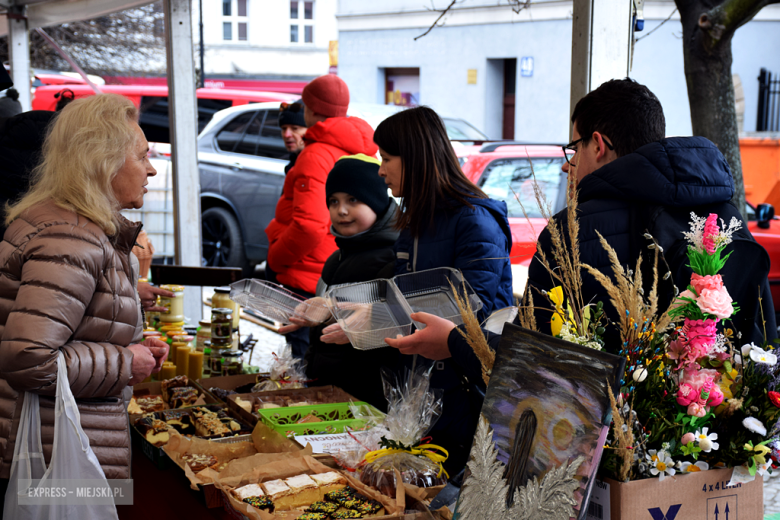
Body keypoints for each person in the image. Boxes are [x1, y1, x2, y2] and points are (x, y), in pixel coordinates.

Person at [0, 94, 169, 501]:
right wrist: (125, 361)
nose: (151, 169)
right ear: (103, 161)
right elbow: (29, 358)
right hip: (52, 458)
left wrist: (122, 343)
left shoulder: (65, 223)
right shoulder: (70, 236)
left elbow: (60, 328)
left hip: (54, 444)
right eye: (142, 156)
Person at [524, 78, 776, 350]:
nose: (567, 165)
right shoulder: (727, 219)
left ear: (598, 145)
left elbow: (532, 351)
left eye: (574, 148)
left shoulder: (571, 229)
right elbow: (764, 342)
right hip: (719, 392)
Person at [372, 106, 513, 476]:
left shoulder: (474, 220)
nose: (381, 170)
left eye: (387, 158)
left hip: (465, 398)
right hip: (422, 394)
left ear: (415, 158)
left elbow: (470, 312)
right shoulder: (416, 221)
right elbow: (405, 300)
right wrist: (365, 317)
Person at [265, 74, 377, 359]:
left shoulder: (315, 154)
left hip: (305, 273)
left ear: (311, 109)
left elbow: (310, 225)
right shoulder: (356, 148)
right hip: (332, 269)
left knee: (304, 363)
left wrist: (275, 258)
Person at [280, 154, 400, 411]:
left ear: (377, 202)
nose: (341, 210)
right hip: (328, 389)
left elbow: (389, 326)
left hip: (365, 396)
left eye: (353, 200)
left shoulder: (393, 258)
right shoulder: (335, 258)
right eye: (333, 201)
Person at [279, 99, 307, 174]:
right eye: (284, 129)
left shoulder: (314, 163)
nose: (286, 135)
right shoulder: (293, 162)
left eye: (295, 128)